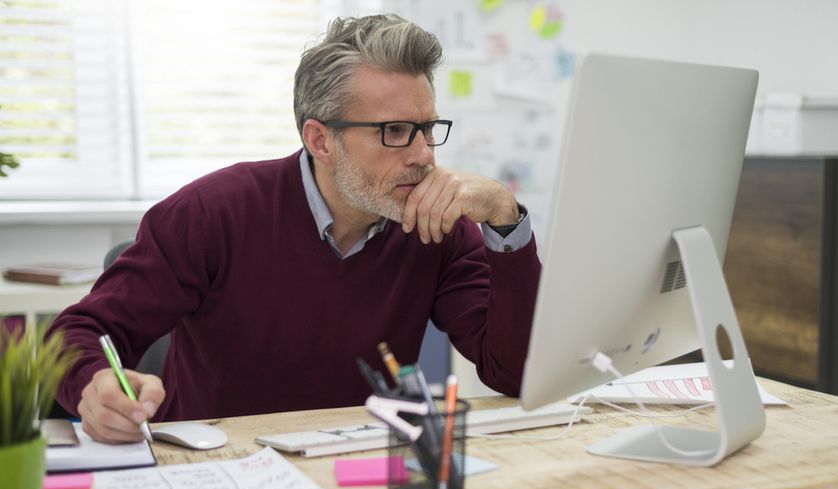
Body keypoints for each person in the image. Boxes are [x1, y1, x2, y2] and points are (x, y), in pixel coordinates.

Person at [48, 14, 541, 444]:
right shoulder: (212, 212)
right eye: (395, 132)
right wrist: (96, 386)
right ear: (320, 140)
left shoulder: (435, 225)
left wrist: (505, 216)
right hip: (220, 464)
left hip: (356, 466)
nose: (424, 156)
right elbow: (77, 333)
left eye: (429, 128)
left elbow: (515, 373)